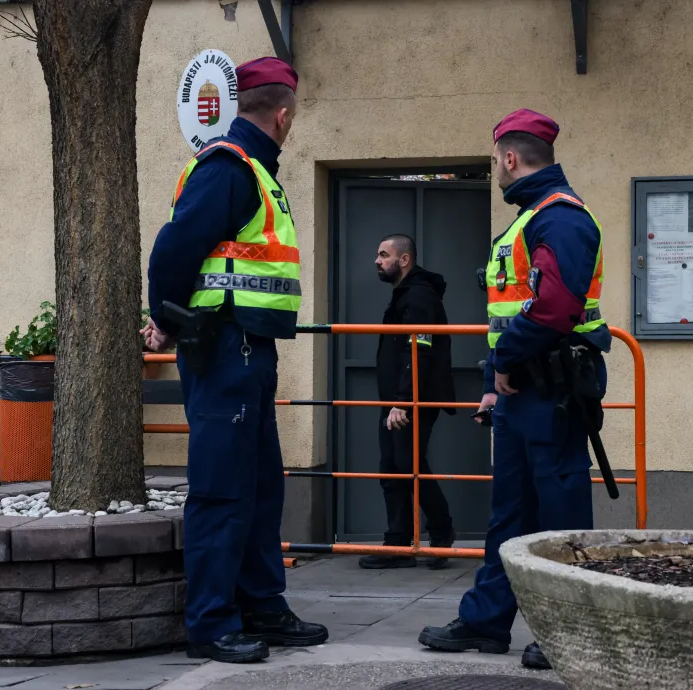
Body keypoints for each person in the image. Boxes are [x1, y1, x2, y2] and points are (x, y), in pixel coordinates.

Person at [141, 56, 328, 663]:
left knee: (260, 485)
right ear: (283, 116)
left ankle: (262, 605)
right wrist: (168, 320)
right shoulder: (230, 167)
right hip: (223, 347)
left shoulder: (252, 170)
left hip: (245, 349)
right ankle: (211, 623)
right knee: (223, 488)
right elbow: (174, 249)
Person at [417, 109, 610, 671]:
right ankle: (485, 621)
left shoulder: (560, 218)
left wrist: (504, 362)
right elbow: (508, 312)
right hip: (522, 390)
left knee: (559, 518)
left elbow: (555, 308)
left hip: (552, 388)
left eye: (495, 160)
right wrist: (491, 384)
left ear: (509, 157)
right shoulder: (530, 221)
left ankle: (567, 632)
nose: (496, 170)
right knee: (510, 515)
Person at [359, 234, 457, 571]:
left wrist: (403, 401)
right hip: (396, 401)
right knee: (392, 467)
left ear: (404, 260)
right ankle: (398, 543)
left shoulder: (419, 295)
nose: (377, 261)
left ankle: (441, 532)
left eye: (384, 255)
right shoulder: (405, 294)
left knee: (408, 465)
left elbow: (418, 350)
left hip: (411, 401)